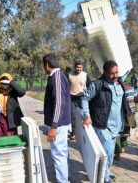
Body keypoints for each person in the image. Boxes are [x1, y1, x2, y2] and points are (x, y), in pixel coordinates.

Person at [81, 60, 130, 183]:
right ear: (105, 73)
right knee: (107, 153)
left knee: (110, 152)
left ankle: (105, 173)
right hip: (103, 126)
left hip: (117, 126)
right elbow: (85, 98)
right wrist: (87, 116)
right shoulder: (98, 84)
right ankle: (103, 178)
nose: (115, 75)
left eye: (116, 72)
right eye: (112, 73)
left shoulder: (119, 82)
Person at [43, 53, 71, 183]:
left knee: (58, 153)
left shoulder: (57, 77)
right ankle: (64, 177)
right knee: (62, 152)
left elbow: (59, 103)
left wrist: (54, 126)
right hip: (60, 122)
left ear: (47, 65)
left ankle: (63, 180)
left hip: (58, 124)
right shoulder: (56, 76)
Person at [68, 60, 91, 140]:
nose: (79, 69)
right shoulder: (70, 75)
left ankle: (85, 132)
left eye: (80, 67)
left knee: (84, 115)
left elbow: (89, 86)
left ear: (82, 67)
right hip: (72, 97)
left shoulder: (85, 75)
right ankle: (73, 133)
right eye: (77, 67)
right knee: (72, 115)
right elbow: (67, 86)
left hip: (82, 97)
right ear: (75, 67)